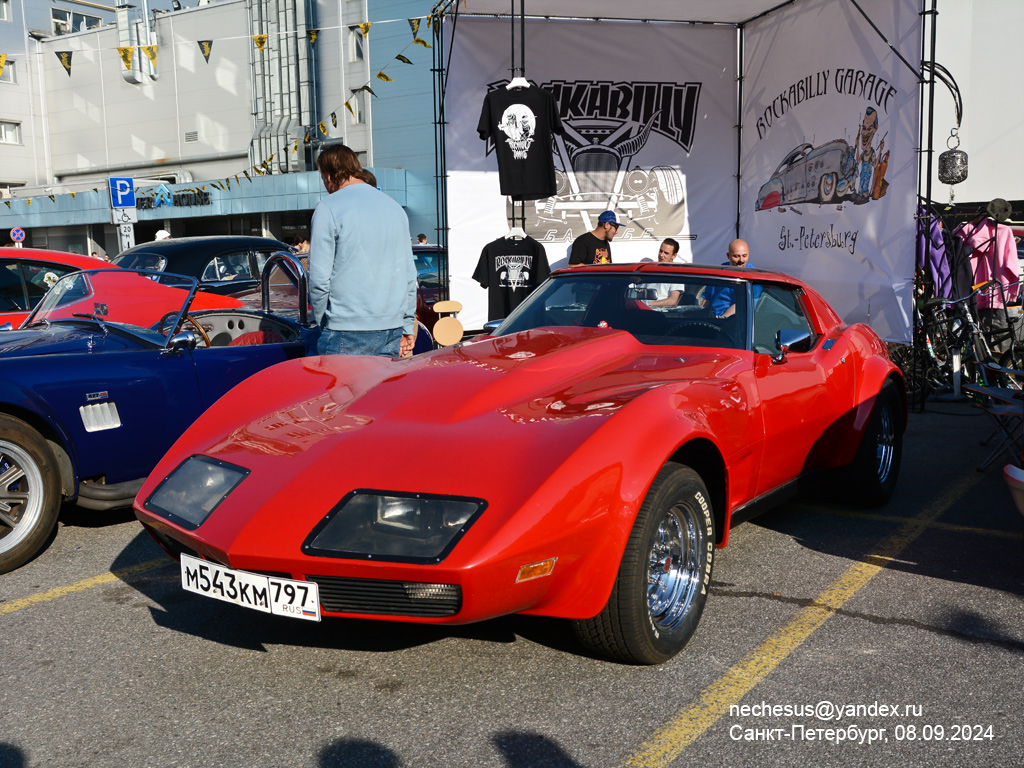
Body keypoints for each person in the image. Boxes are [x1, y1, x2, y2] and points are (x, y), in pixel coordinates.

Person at [310, 144, 417, 358]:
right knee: (381, 392)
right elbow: (409, 274)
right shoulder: (395, 208)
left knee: (340, 392)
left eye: (323, 178)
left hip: (345, 327)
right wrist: (406, 325)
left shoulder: (328, 207)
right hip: (391, 327)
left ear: (328, 175)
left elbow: (319, 280)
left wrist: (321, 319)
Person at [702, 239, 755, 318]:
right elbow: (707, 298)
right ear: (728, 255)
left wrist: (722, 319)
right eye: (736, 256)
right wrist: (700, 316)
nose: (741, 260)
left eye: (744, 256)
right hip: (712, 318)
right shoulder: (720, 270)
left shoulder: (752, 276)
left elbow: (743, 303)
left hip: (734, 321)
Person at [647, 238, 684, 307]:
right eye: (660, 251)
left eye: (666, 253)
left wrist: (648, 304)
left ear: (674, 256)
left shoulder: (676, 274)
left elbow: (673, 300)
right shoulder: (649, 269)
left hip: (662, 313)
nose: (661, 255)